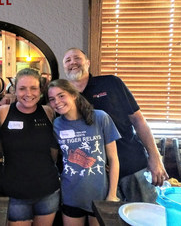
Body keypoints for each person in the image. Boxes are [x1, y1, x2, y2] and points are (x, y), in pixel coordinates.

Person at [62, 47, 168, 202]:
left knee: (146, 216)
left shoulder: (111, 83)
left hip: (132, 166)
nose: (73, 62)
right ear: (64, 66)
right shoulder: (63, 98)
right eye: (68, 60)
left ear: (88, 62)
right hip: (98, 176)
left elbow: (138, 120)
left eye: (77, 58)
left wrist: (155, 157)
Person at [48, 79, 120, 226]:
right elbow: (52, 160)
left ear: (74, 95)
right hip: (71, 196)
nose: (57, 102)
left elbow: (113, 159)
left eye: (61, 95)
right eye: (52, 99)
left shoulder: (100, 117)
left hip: (99, 195)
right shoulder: (57, 124)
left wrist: (112, 194)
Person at [0, 68, 60, 226]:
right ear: (14, 90)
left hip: (48, 190)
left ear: (40, 90)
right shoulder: (2, 112)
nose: (28, 93)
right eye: (22, 88)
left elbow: (54, 151)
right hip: (15, 192)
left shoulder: (49, 112)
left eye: (33, 88)